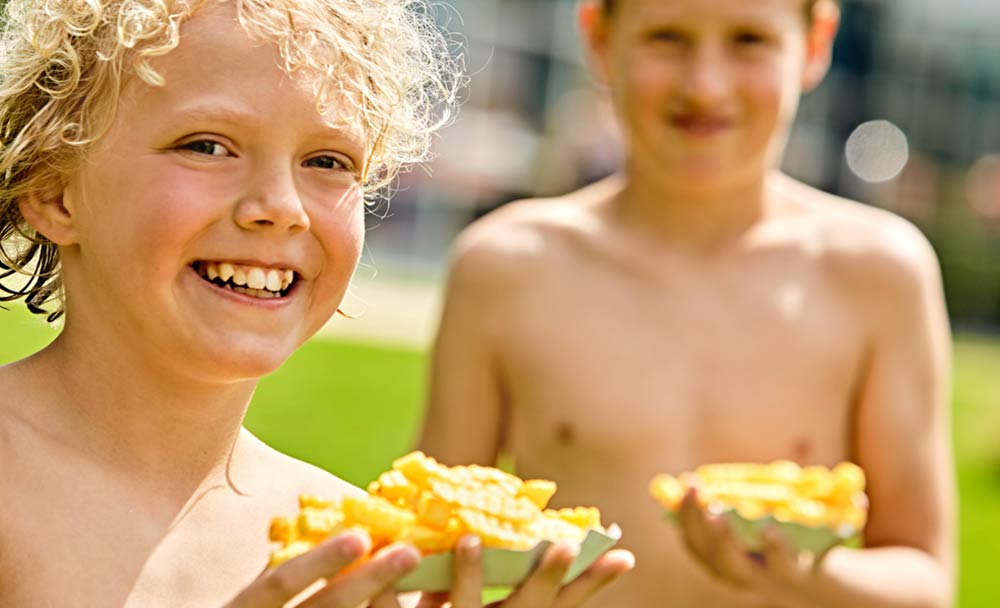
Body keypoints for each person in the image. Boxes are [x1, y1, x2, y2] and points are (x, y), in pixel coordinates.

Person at [0, 1, 633, 606]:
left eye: (328, 161)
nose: (281, 206)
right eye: (207, 145)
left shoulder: (355, 550)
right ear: (55, 191)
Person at [420, 0, 956, 605]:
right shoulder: (504, 267)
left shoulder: (879, 274)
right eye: (667, 38)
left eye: (749, 40)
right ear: (599, 39)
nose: (705, 85)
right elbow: (431, 536)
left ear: (814, 44)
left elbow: (926, 580)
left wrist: (805, 578)